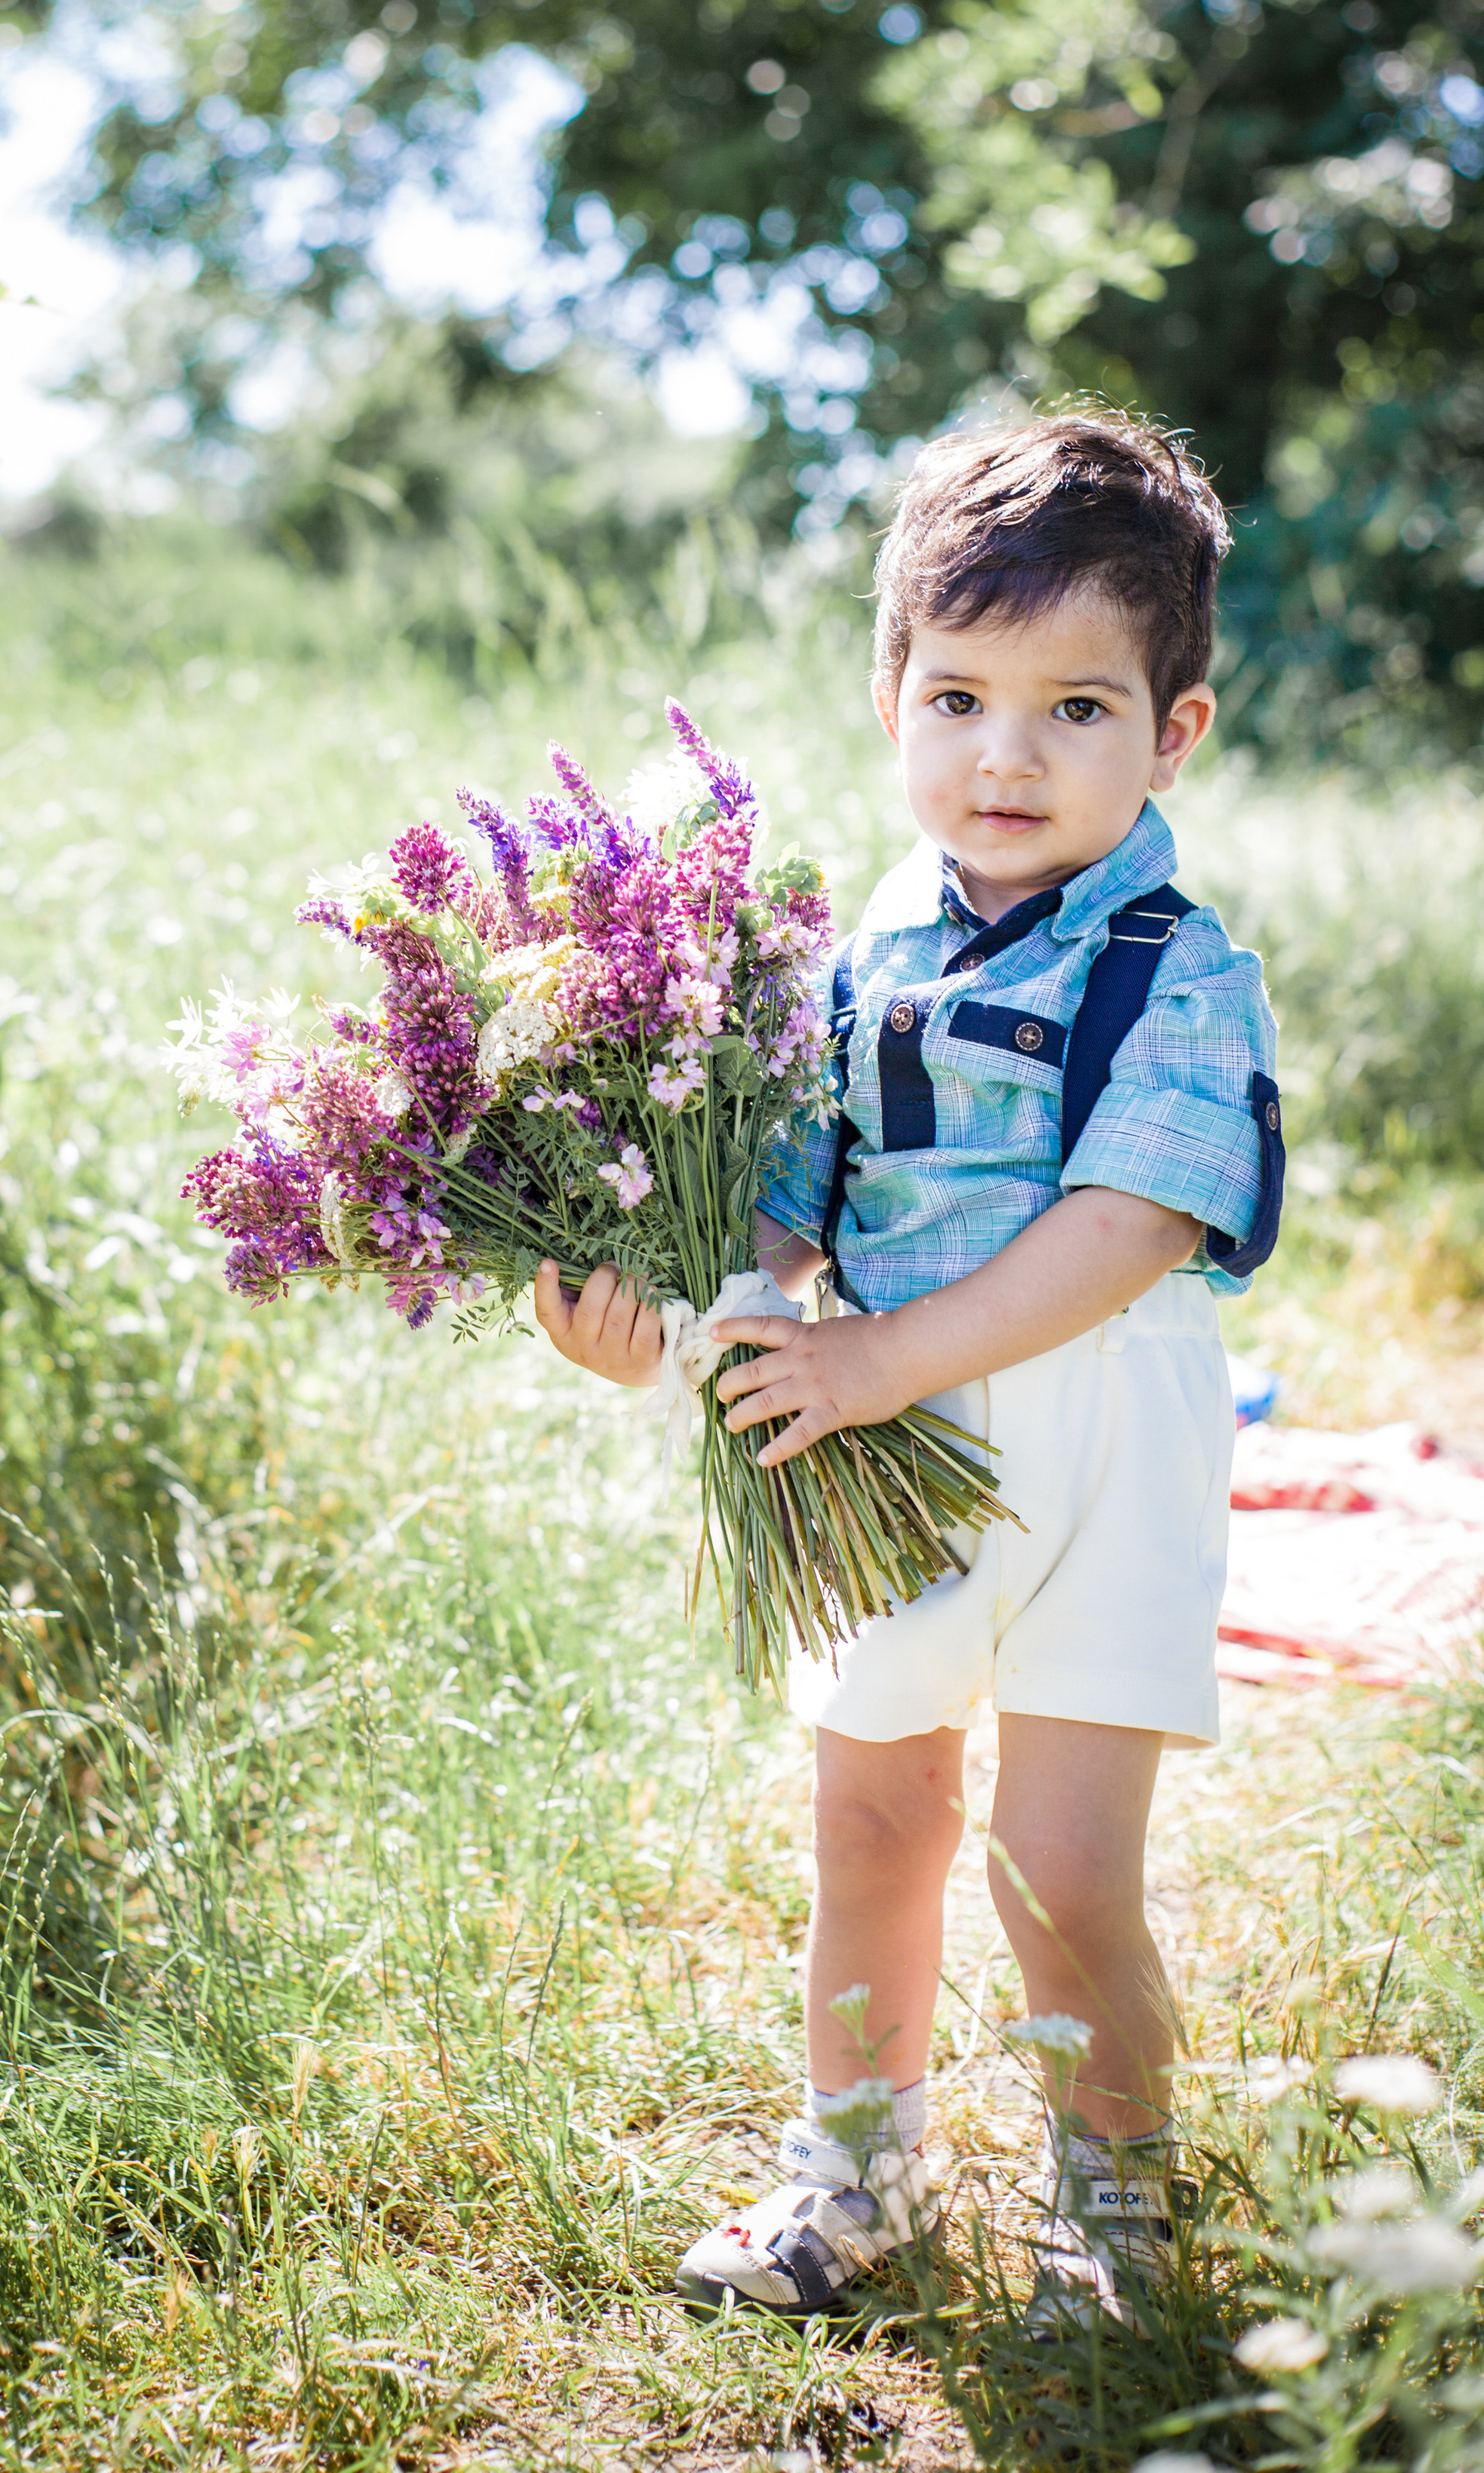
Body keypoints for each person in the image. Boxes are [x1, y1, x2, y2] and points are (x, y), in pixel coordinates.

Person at [533, 414, 1282, 2328]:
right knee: (869, 1818)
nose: (1005, 754)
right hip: (887, 1438)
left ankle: (1105, 2211)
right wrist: (662, 1316)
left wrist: (876, 1358)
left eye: (1076, 708)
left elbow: (1127, 1225)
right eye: (955, 695)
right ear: (886, 699)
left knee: (1054, 1865)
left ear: (1171, 731)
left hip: (1099, 1434)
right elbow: (777, 1218)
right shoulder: (852, 958)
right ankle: (852, 2179)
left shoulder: (1176, 965)